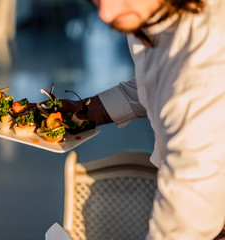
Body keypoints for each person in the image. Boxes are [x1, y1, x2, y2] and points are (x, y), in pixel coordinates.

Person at [61, 0, 225, 239]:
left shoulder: (207, 57)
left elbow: (188, 209)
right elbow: (164, 80)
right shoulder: (153, 12)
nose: (106, 14)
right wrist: (87, 109)